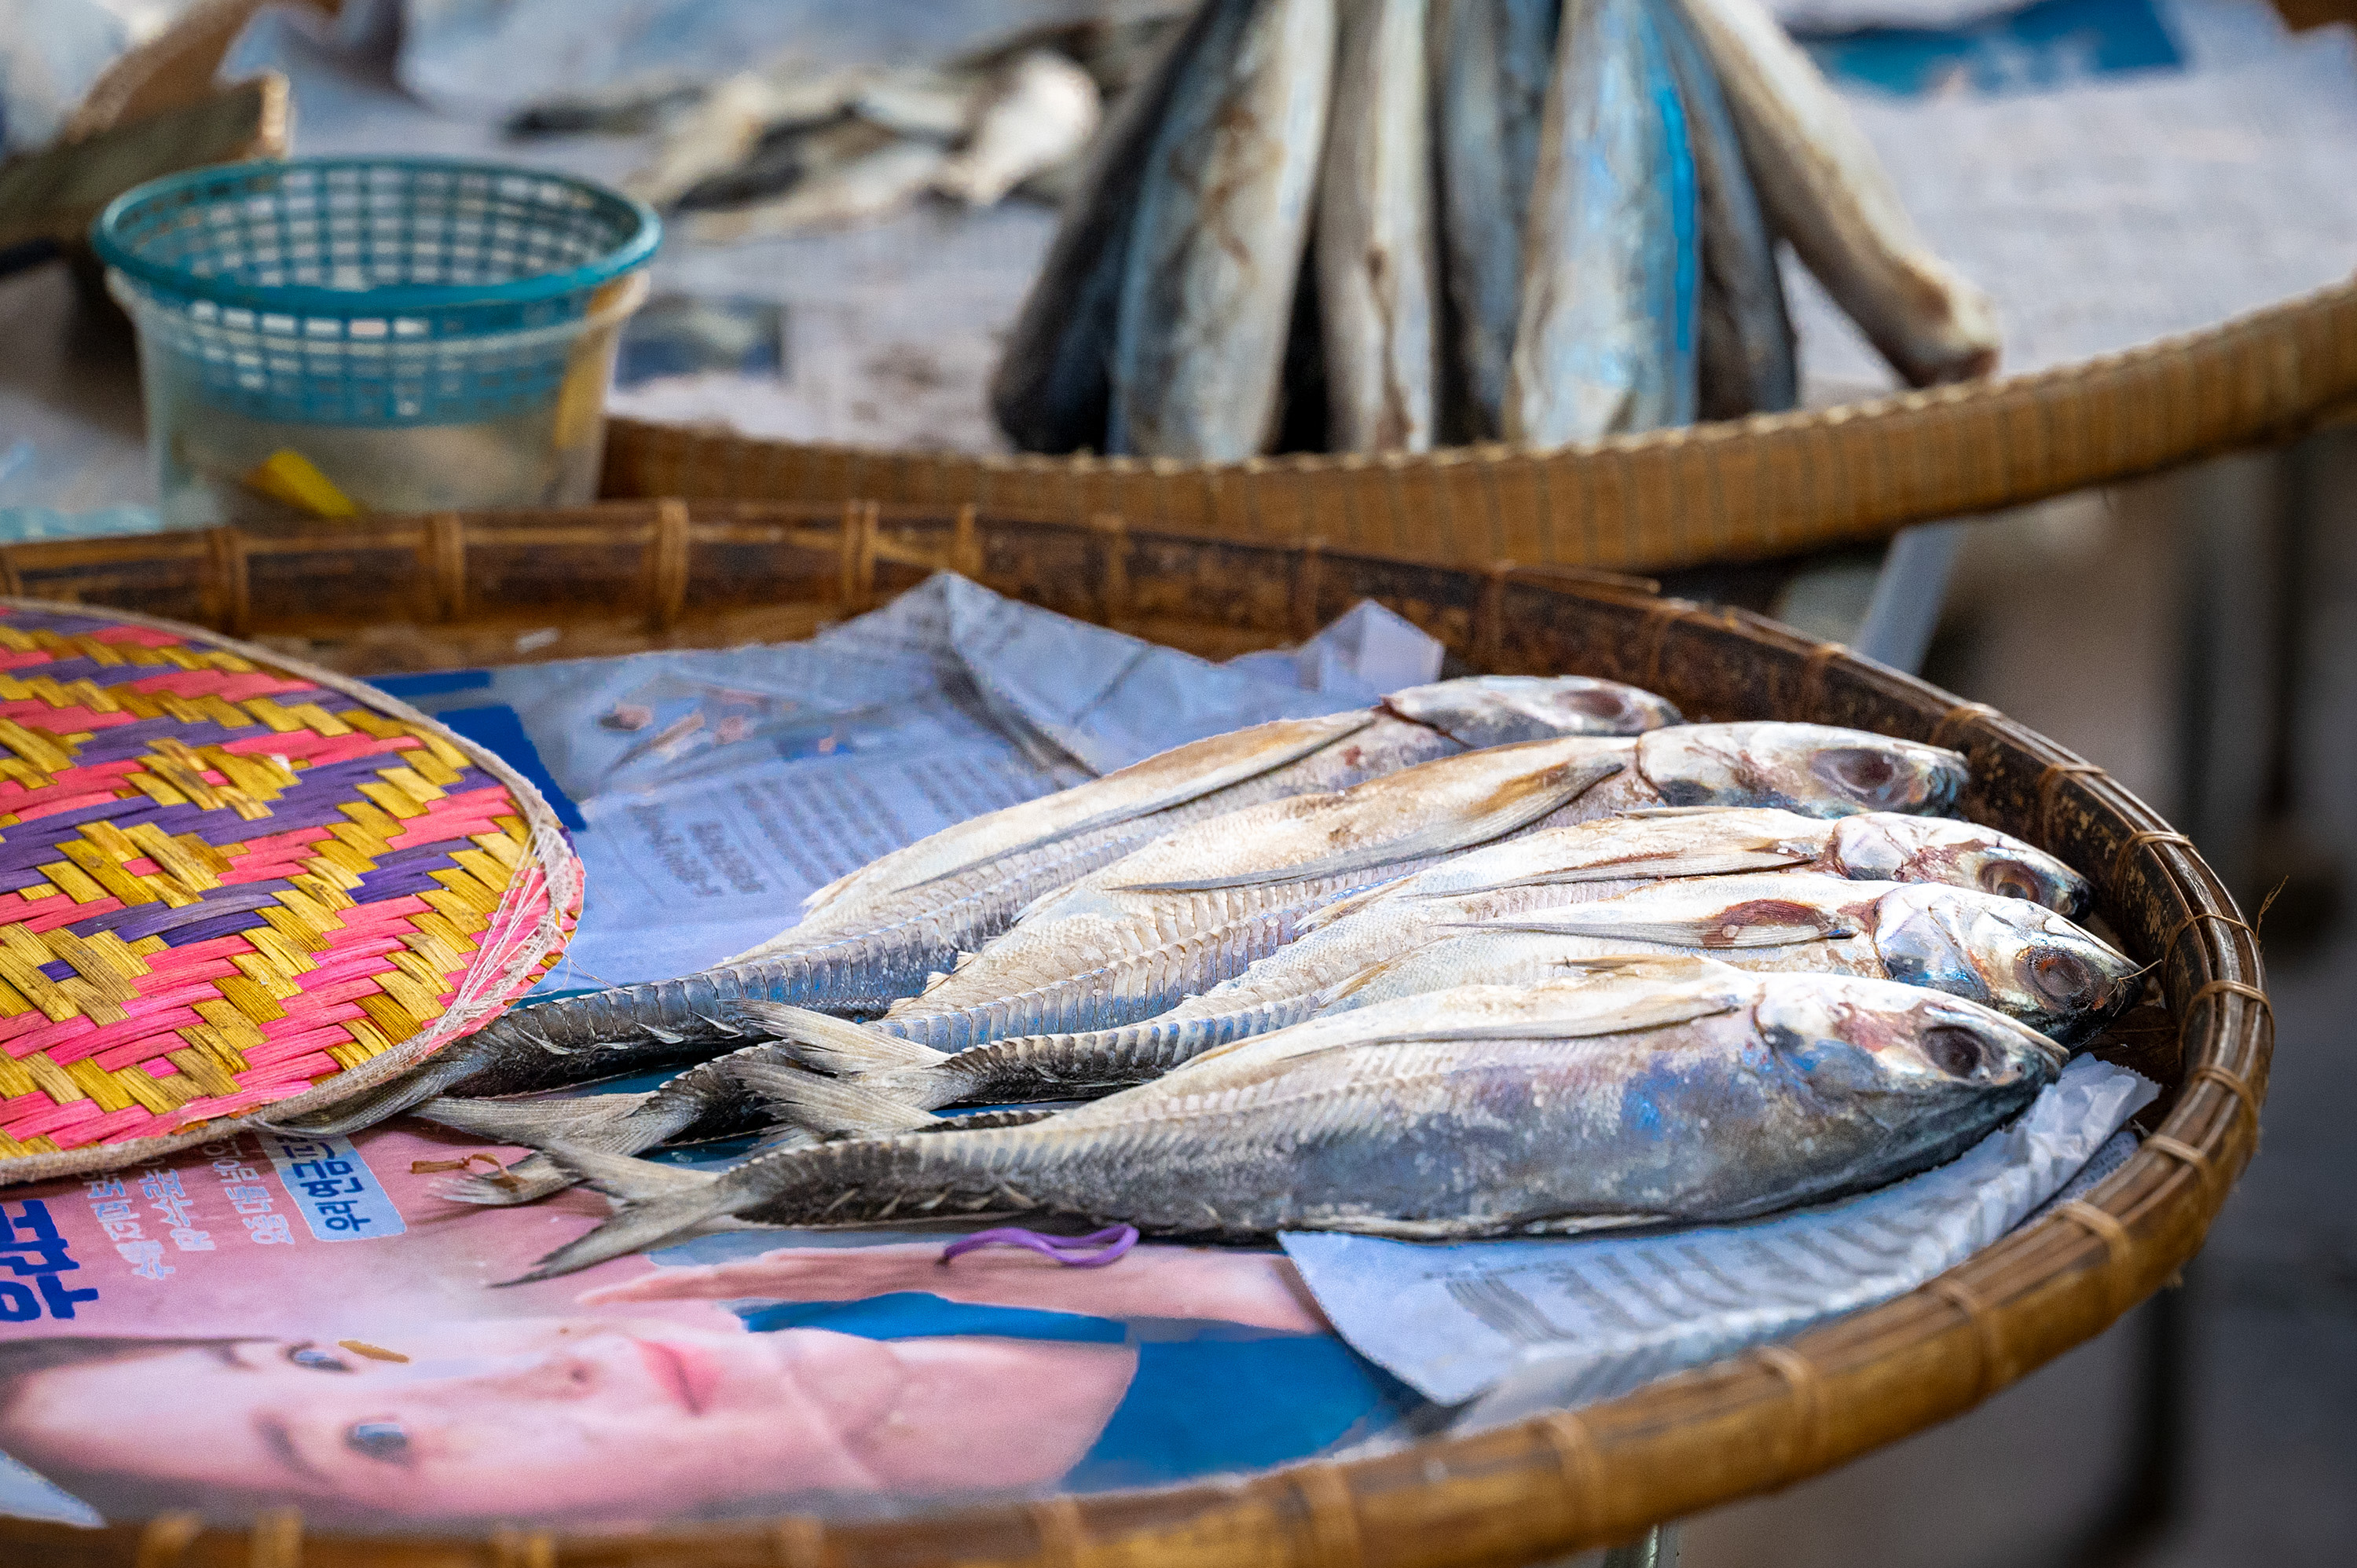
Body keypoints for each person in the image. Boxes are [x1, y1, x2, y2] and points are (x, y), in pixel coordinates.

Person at [0, 1241, 1416, 1529]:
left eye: (325, 1361)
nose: (548, 1367)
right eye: (373, 1442)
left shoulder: (760, 1245)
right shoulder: (1284, 1489)